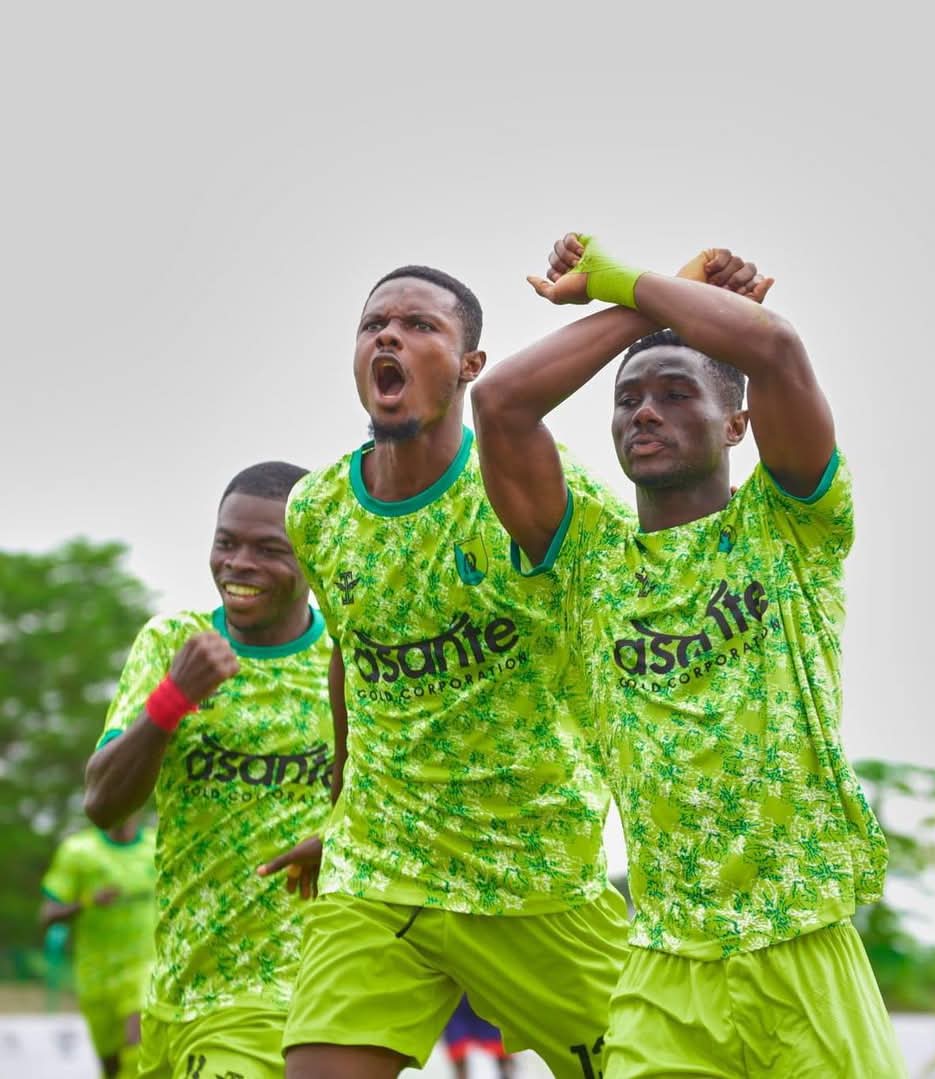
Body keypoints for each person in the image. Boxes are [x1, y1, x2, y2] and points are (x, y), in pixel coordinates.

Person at [470, 233, 906, 1076]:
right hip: (664, 966)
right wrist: (650, 298)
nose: (645, 412)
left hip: (803, 948)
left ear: (737, 422)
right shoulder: (586, 563)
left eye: (677, 393)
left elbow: (776, 350)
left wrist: (619, 278)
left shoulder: (790, 524)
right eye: (628, 398)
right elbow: (501, 404)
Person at [264, 264, 639, 1079]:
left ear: (472, 365)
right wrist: (339, 812)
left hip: (531, 878)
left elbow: (649, 608)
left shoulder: (535, 488)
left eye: (420, 325)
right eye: (374, 325)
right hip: (378, 874)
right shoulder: (318, 510)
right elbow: (352, 653)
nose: (389, 336)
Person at [83, 461, 334, 1079]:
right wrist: (173, 699)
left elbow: (395, 797)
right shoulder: (172, 643)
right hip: (173, 994)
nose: (238, 564)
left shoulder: (348, 659)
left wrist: (339, 836)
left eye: (268, 549)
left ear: (314, 557)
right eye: (226, 543)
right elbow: (104, 805)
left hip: (282, 995)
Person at [40, 816, 156, 1078]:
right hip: (95, 974)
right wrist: (88, 901)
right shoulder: (77, 851)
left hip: (144, 965)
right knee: (111, 1063)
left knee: (139, 1040)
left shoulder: (157, 846)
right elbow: (47, 915)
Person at [441, 995, 515, 1079]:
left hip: (486, 1000)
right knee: (456, 1043)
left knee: (502, 1044)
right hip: (457, 1002)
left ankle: (507, 1072)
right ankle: (461, 1075)